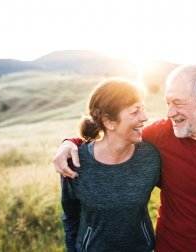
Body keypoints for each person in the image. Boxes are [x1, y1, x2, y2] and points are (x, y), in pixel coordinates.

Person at [54, 65, 196, 251]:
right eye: (168, 103)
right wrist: (71, 143)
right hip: (168, 246)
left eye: (178, 103)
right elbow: (114, 138)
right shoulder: (160, 135)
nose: (170, 113)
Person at [60, 79, 161, 251]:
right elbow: (71, 215)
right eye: (135, 111)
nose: (145, 117)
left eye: (142, 108)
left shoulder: (150, 156)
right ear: (109, 122)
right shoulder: (76, 162)